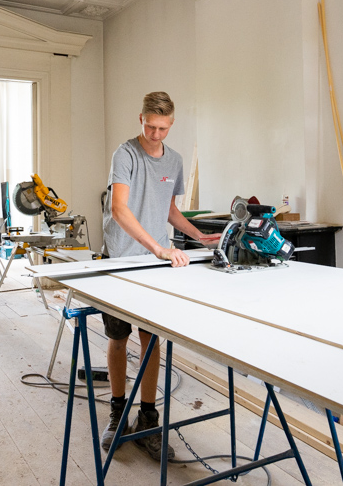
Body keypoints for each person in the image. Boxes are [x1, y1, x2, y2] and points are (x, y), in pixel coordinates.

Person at [100, 91, 221, 460]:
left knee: (151, 341)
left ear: (172, 124)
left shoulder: (176, 160)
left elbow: (167, 208)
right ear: (141, 119)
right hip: (121, 260)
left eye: (163, 128)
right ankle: (118, 413)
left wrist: (196, 234)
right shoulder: (126, 155)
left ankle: (147, 421)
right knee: (119, 337)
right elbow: (119, 208)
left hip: (155, 263)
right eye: (150, 126)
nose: (155, 134)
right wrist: (157, 247)